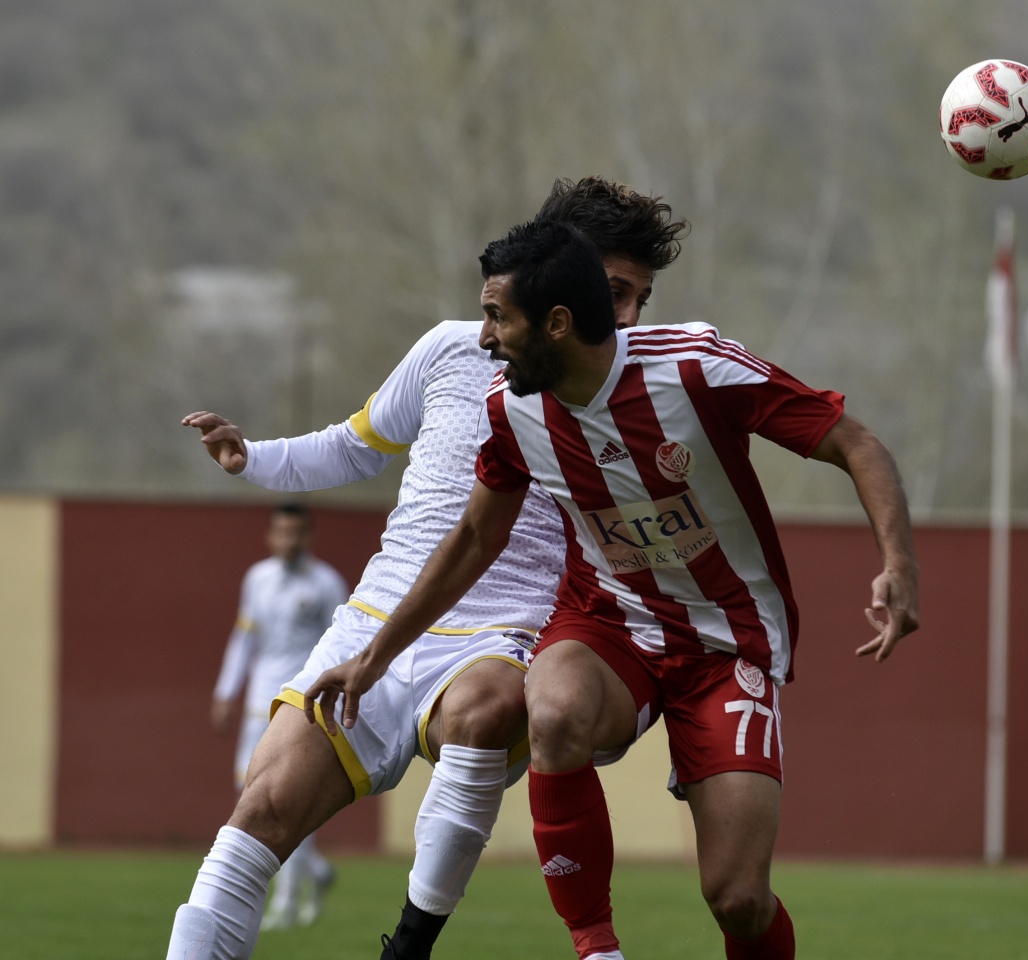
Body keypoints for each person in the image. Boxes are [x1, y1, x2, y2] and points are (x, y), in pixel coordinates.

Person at [304, 218, 920, 960]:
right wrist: (375, 656)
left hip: (725, 644)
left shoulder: (695, 367)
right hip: (609, 625)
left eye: (499, 317)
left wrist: (899, 566)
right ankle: (598, 951)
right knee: (554, 709)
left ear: (557, 324)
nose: (486, 338)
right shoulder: (509, 409)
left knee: (739, 899)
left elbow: (855, 442)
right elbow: (473, 538)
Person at [165, 177, 688, 960]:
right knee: (256, 816)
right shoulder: (450, 348)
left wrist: (677, 714)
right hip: (375, 621)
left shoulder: (642, 390)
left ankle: (411, 943)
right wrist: (254, 459)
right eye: (614, 291)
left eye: (638, 298)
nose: (629, 318)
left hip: (502, 635)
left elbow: (667, 554)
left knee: (483, 707)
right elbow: (355, 443)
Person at [210, 501, 350, 930]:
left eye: (297, 533)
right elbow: (243, 638)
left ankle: (286, 904)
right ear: (271, 535)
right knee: (251, 800)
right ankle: (317, 871)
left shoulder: (328, 584)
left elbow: (346, 644)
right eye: (281, 533)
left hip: (300, 708)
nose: (289, 541)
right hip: (257, 706)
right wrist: (224, 691)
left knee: (288, 798)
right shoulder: (257, 579)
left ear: (309, 536)